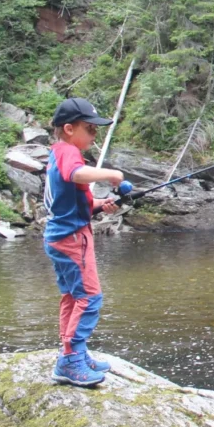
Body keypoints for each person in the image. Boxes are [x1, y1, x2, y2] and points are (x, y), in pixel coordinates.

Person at [44, 97, 124, 387]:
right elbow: (74, 174)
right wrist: (111, 174)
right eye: (89, 129)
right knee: (90, 298)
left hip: (61, 234)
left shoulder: (57, 152)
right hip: (72, 239)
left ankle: (73, 351)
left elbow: (71, 201)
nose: (94, 134)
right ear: (68, 128)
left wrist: (100, 205)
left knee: (73, 297)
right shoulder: (68, 152)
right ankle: (70, 361)